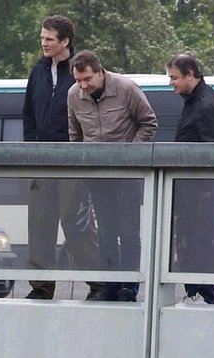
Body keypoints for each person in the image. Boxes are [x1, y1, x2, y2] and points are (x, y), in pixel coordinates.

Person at [67, 51, 158, 301]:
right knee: (106, 231)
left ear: (100, 72)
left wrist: (129, 155)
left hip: (127, 175)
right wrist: (83, 169)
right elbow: (74, 135)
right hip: (97, 175)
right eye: (78, 80)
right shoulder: (73, 95)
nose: (83, 86)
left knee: (129, 232)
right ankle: (108, 282)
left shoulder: (126, 88)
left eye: (87, 79)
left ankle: (130, 284)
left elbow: (149, 123)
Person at [22, 16, 100, 300]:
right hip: (41, 163)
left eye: (49, 39)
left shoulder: (80, 73)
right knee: (39, 228)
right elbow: (28, 114)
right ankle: (41, 288)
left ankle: (98, 285)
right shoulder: (37, 72)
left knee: (77, 226)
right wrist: (31, 149)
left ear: (65, 41)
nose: (43, 43)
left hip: (72, 163)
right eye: (42, 38)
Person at [167, 54, 214, 305]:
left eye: (175, 77)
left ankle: (201, 294)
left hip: (198, 192)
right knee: (190, 241)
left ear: (191, 74)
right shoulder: (196, 101)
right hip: (190, 190)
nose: (172, 83)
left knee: (199, 241)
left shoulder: (204, 106)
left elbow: (212, 151)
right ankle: (194, 291)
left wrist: (205, 190)